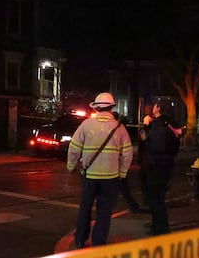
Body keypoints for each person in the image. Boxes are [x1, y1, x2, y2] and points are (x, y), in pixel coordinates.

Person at [66, 92, 134, 249]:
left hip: (90, 176)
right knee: (104, 211)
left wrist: (71, 166)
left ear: (96, 108)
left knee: (85, 208)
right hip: (111, 178)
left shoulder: (86, 125)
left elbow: (74, 148)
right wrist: (122, 172)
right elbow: (128, 153)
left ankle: (81, 239)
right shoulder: (120, 128)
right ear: (111, 107)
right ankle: (99, 241)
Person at [141, 99, 181, 235]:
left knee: (155, 198)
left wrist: (145, 137)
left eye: (155, 105)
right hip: (167, 163)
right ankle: (158, 224)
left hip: (157, 164)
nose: (153, 107)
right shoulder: (170, 124)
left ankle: (160, 228)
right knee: (159, 196)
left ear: (159, 108)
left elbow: (156, 146)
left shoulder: (158, 126)